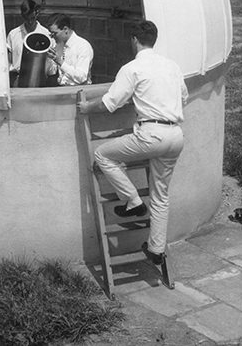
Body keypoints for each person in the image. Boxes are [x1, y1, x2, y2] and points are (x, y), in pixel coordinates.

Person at [76, 20, 187, 265]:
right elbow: (183, 97)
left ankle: (133, 201)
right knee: (161, 195)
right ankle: (156, 249)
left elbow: (109, 103)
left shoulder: (132, 68)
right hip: (175, 135)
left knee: (103, 155)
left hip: (150, 134)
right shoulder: (172, 66)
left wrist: (86, 107)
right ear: (154, 40)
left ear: (134, 40)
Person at [6, 0, 51, 86]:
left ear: (37, 13)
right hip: (17, 81)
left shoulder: (46, 34)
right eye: (26, 18)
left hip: (40, 81)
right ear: (22, 15)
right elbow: (9, 59)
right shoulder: (13, 34)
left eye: (32, 18)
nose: (30, 22)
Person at [47, 13, 93, 86]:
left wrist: (60, 62)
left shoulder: (83, 46)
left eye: (55, 33)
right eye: (51, 34)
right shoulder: (58, 45)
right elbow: (51, 72)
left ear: (65, 29)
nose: (52, 37)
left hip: (79, 91)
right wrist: (48, 57)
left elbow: (81, 77)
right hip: (63, 89)